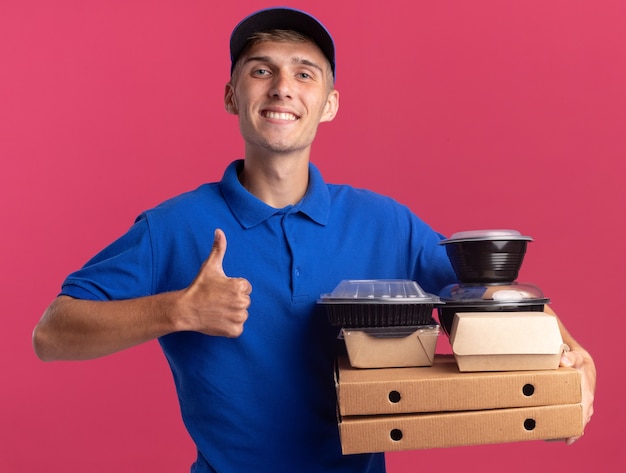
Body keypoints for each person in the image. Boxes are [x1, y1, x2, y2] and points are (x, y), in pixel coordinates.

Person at [32, 7, 596, 473]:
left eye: (305, 73)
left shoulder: (385, 223)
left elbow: (482, 294)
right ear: (231, 95)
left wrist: (569, 358)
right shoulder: (173, 227)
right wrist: (177, 309)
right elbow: (52, 333)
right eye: (261, 70)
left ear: (328, 104)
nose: (282, 87)